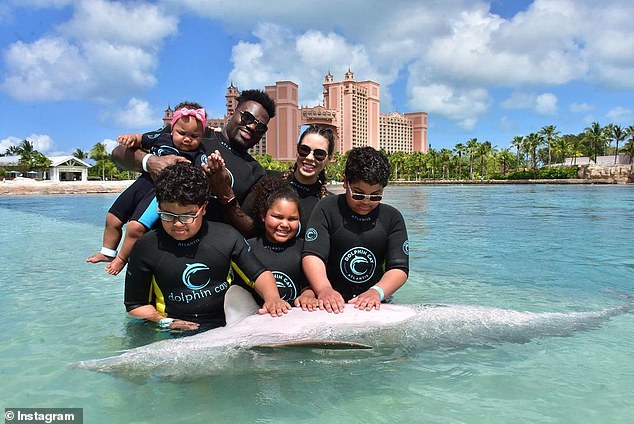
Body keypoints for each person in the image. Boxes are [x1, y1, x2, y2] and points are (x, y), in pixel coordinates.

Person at [123, 163, 290, 332]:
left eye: (188, 216)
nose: (178, 224)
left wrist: (272, 298)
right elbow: (135, 305)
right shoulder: (146, 247)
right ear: (158, 207)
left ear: (203, 208)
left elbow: (259, 274)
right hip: (171, 331)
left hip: (226, 326)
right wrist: (165, 322)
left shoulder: (226, 236)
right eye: (168, 215)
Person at [111, 89, 276, 231]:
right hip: (156, 244)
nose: (252, 126)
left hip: (206, 254)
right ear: (232, 113)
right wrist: (150, 161)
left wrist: (225, 195)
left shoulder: (256, 172)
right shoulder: (194, 132)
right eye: (247, 117)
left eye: (260, 126)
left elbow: (250, 228)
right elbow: (118, 154)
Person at [86, 102, 208, 275]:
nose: (187, 139)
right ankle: (107, 251)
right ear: (172, 129)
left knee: (135, 227)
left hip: (161, 190)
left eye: (194, 136)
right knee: (112, 217)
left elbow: (201, 174)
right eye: (182, 133)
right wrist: (130, 138)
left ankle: (121, 259)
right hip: (143, 182)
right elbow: (140, 138)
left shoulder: (198, 153)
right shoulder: (161, 137)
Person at [302, 146, 409, 313]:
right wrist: (324, 289)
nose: (366, 202)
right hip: (331, 299)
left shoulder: (392, 217)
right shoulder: (327, 208)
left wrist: (377, 292)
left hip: (374, 300)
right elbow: (312, 255)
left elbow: (399, 268)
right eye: (358, 194)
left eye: (375, 196)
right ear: (345, 182)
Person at [238, 176, 319, 310]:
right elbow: (238, 291)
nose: (285, 224)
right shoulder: (248, 248)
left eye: (292, 219)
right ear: (263, 215)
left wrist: (308, 295)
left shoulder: (305, 248)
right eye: (277, 217)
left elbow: (307, 284)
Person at [240, 124, 336, 238]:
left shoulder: (329, 203)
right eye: (304, 149)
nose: (310, 158)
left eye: (319, 154)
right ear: (297, 150)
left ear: (329, 158)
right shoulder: (268, 182)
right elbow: (244, 223)